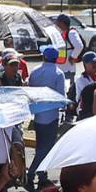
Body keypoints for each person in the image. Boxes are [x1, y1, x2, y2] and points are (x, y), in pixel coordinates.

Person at [27, 46, 66, 183]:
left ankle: (41, 173)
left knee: (40, 147)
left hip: (38, 115)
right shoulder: (58, 73)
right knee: (46, 148)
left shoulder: (35, 71)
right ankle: (31, 173)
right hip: (51, 116)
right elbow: (61, 97)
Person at [71, 52, 96, 121]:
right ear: (85, 64)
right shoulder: (81, 79)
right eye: (93, 62)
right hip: (85, 112)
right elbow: (92, 93)